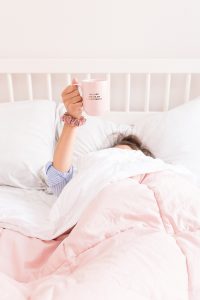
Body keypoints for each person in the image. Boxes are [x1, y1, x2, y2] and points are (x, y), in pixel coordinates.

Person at [45, 79, 154, 197]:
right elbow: (58, 180)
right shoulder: (87, 176)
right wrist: (72, 118)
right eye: (114, 153)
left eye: (126, 156)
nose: (118, 158)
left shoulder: (153, 175)